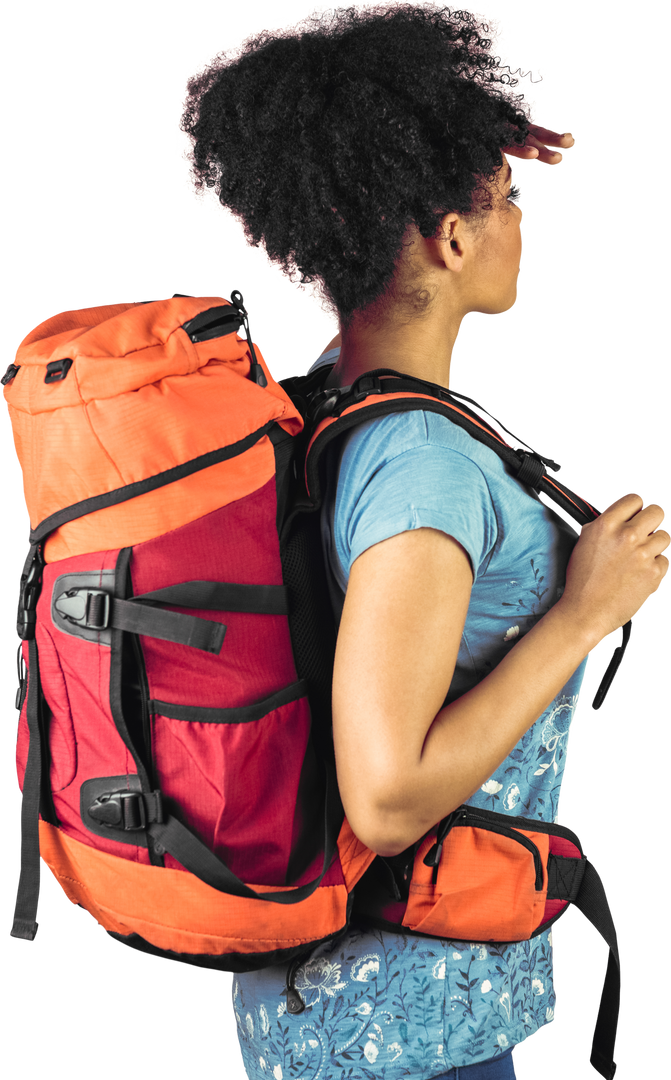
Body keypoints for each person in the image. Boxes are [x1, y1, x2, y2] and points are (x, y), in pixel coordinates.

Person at [175, 3, 670, 1077]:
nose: (520, 223)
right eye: (508, 198)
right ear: (450, 235)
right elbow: (386, 795)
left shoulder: (315, 411)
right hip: (408, 1037)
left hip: (330, 1016)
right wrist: (587, 611)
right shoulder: (420, 466)